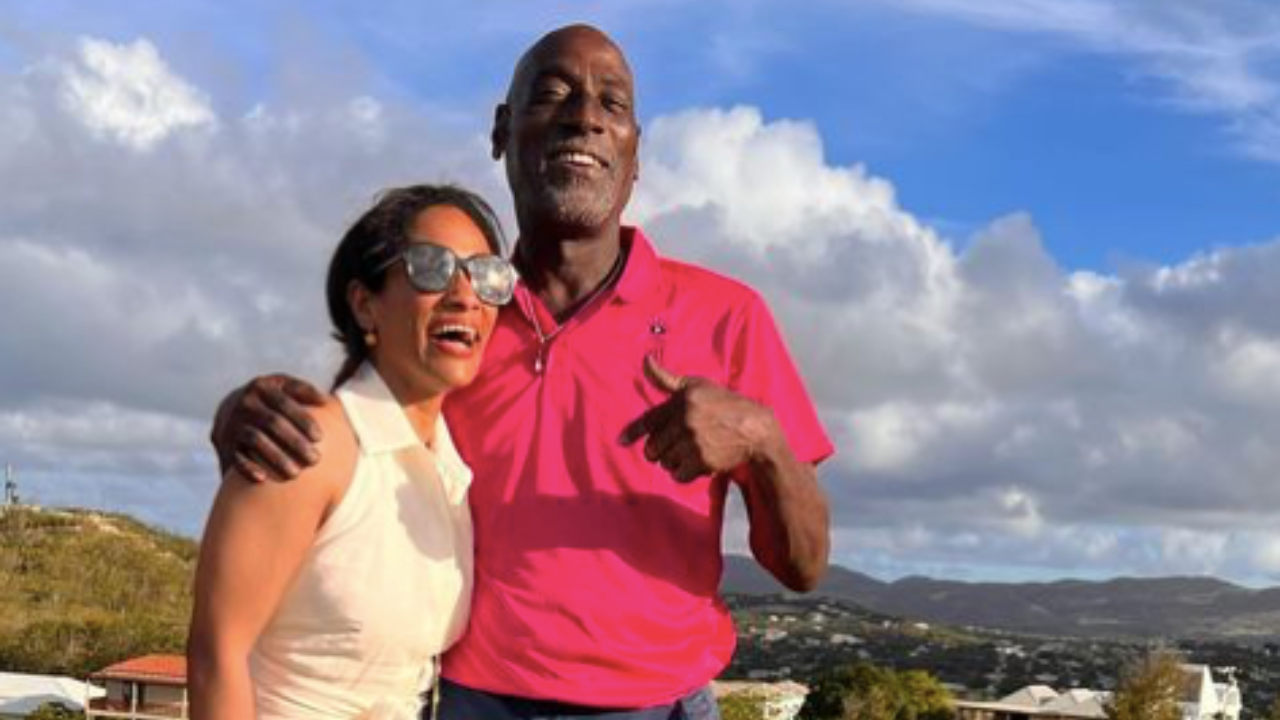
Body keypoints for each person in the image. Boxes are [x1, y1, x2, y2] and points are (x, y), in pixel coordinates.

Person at [211, 24, 833, 720]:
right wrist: (244, 410)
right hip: (478, 706)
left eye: (612, 104)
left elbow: (803, 568)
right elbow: (356, 431)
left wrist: (764, 441)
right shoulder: (460, 320)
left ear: (636, 157)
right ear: (503, 131)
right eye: (553, 94)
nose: (585, 116)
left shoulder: (729, 315)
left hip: (664, 708)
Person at [189, 184, 517, 720]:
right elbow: (215, 655)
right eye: (431, 268)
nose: (465, 295)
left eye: (486, 274)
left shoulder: (449, 467)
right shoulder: (303, 447)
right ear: (365, 305)